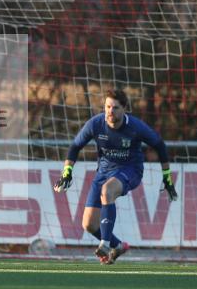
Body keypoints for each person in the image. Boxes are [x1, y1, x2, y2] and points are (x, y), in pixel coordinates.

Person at [53, 89, 177, 264]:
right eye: (108, 107)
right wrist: (67, 172)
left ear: (124, 109)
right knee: (88, 224)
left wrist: (167, 177)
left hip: (130, 170)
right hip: (103, 172)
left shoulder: (135, 126)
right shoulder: (96, 124)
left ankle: (104, 245)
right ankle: (117, 245)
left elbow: (160, 146)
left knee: (107, 190)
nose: (110, 111)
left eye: (115, 108)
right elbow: (75, 146)